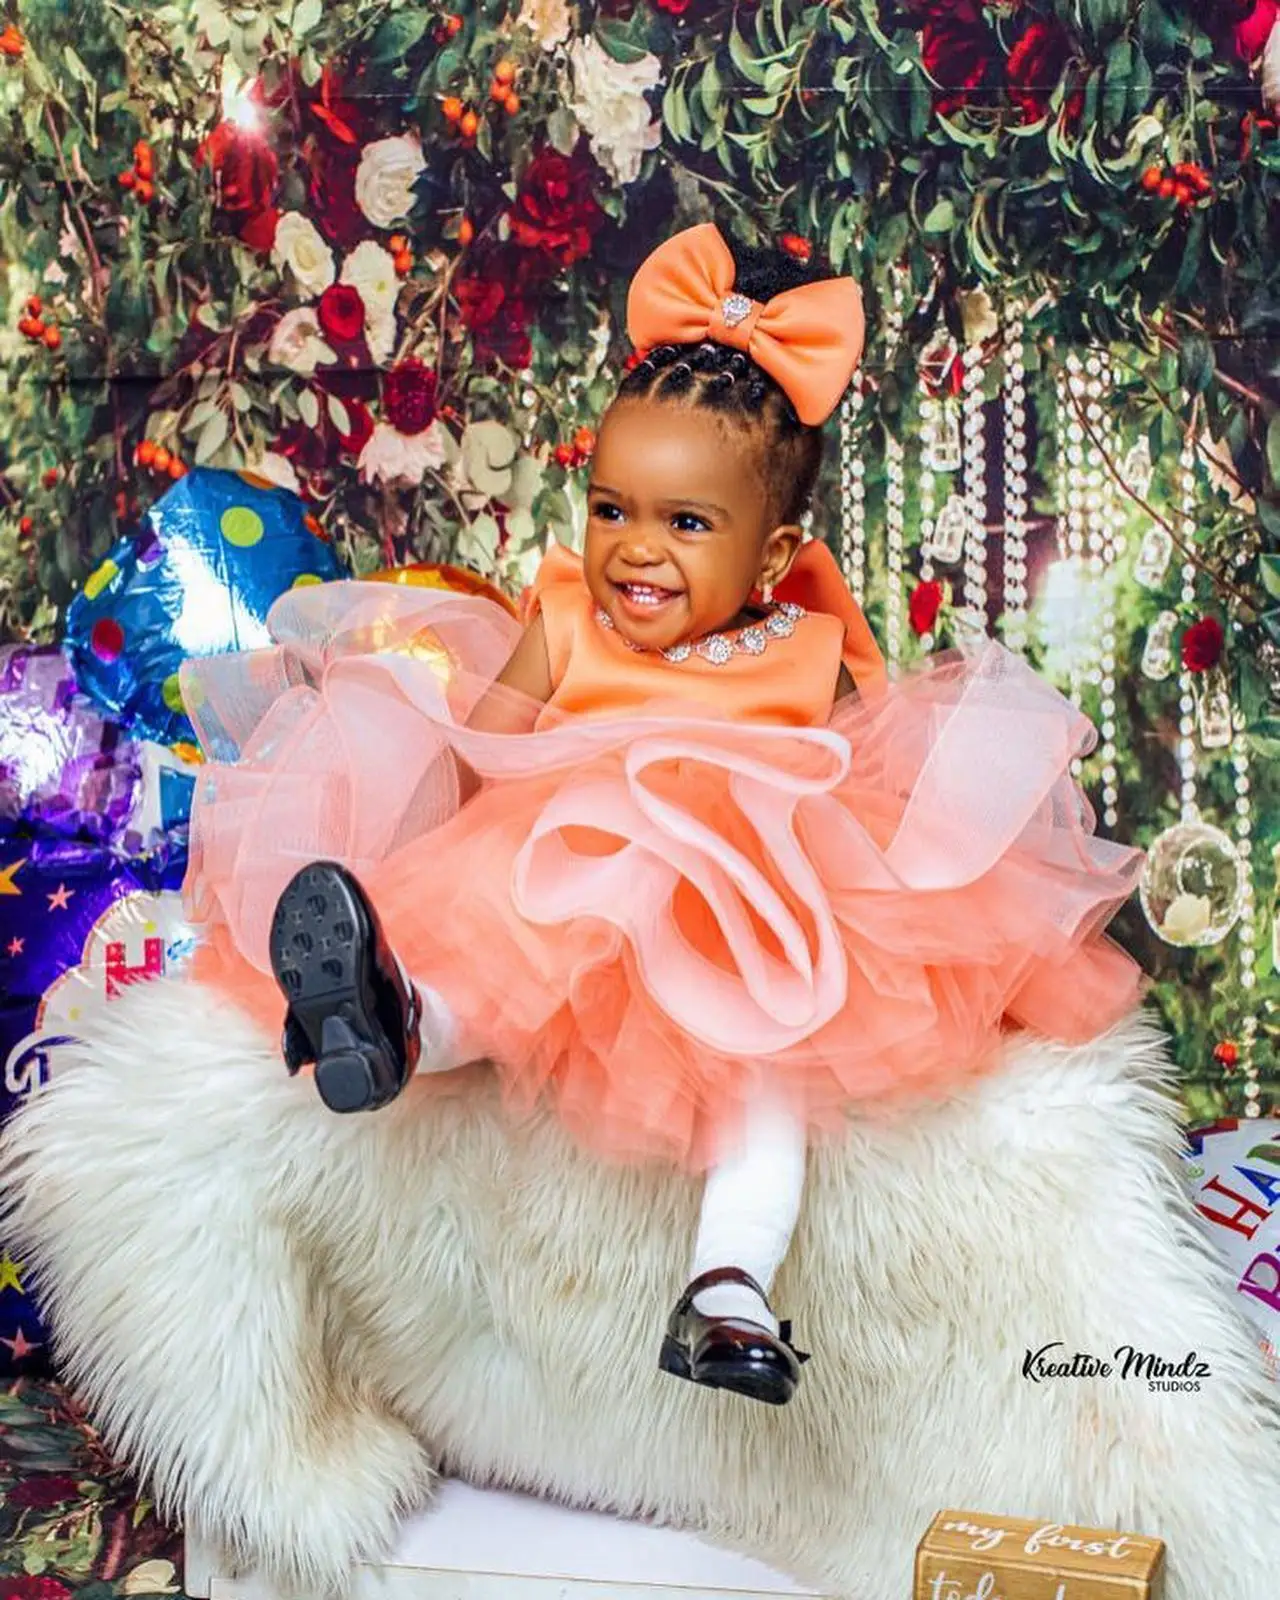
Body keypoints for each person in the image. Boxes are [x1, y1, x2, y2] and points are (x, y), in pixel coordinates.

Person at [181, 223, 1145, 1408]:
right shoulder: (566, 614)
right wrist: (441, 870)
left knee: (767, 1074)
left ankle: (728, 1288)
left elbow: (874, 769)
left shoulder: (804, 644)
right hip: (573, 868)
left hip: (745, 915)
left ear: (773, 549)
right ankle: (390, 1021)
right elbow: (489, 745)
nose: (634, 549)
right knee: (497, 969)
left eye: (686, 524)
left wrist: (916, 914)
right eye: (610, 508)